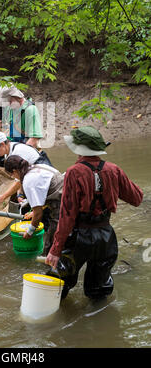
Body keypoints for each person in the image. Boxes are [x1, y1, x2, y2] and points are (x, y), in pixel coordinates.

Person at [45, 126, 144, 300]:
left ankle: (50, 319)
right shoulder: (114, 170)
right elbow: (137, 198)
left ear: (78, 149)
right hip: (106, 237)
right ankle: (101, 320)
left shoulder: (74, 172)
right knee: (99, 288)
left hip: (79, 237)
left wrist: (55, 249)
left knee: (58, 281)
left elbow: (67, 215)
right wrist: (113, 182)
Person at [4, 155, 64, 255]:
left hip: (61, 201)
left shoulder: (28, 181)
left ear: (14, 171)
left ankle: (47, 263)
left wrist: (30, 232)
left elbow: (38, 214)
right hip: (65, 193)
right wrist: (33, 213)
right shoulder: (36, 167)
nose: (13, 177)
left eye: (11, 175)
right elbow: (46, 193)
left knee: (52, 241)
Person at [0, 131, 54, 205]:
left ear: (2, 144)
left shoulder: (17, 152)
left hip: (44, 176)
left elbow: (19, 180)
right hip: (34, 176)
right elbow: (20, 177)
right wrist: (19, 194)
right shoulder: (8, 153)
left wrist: (3, 197)